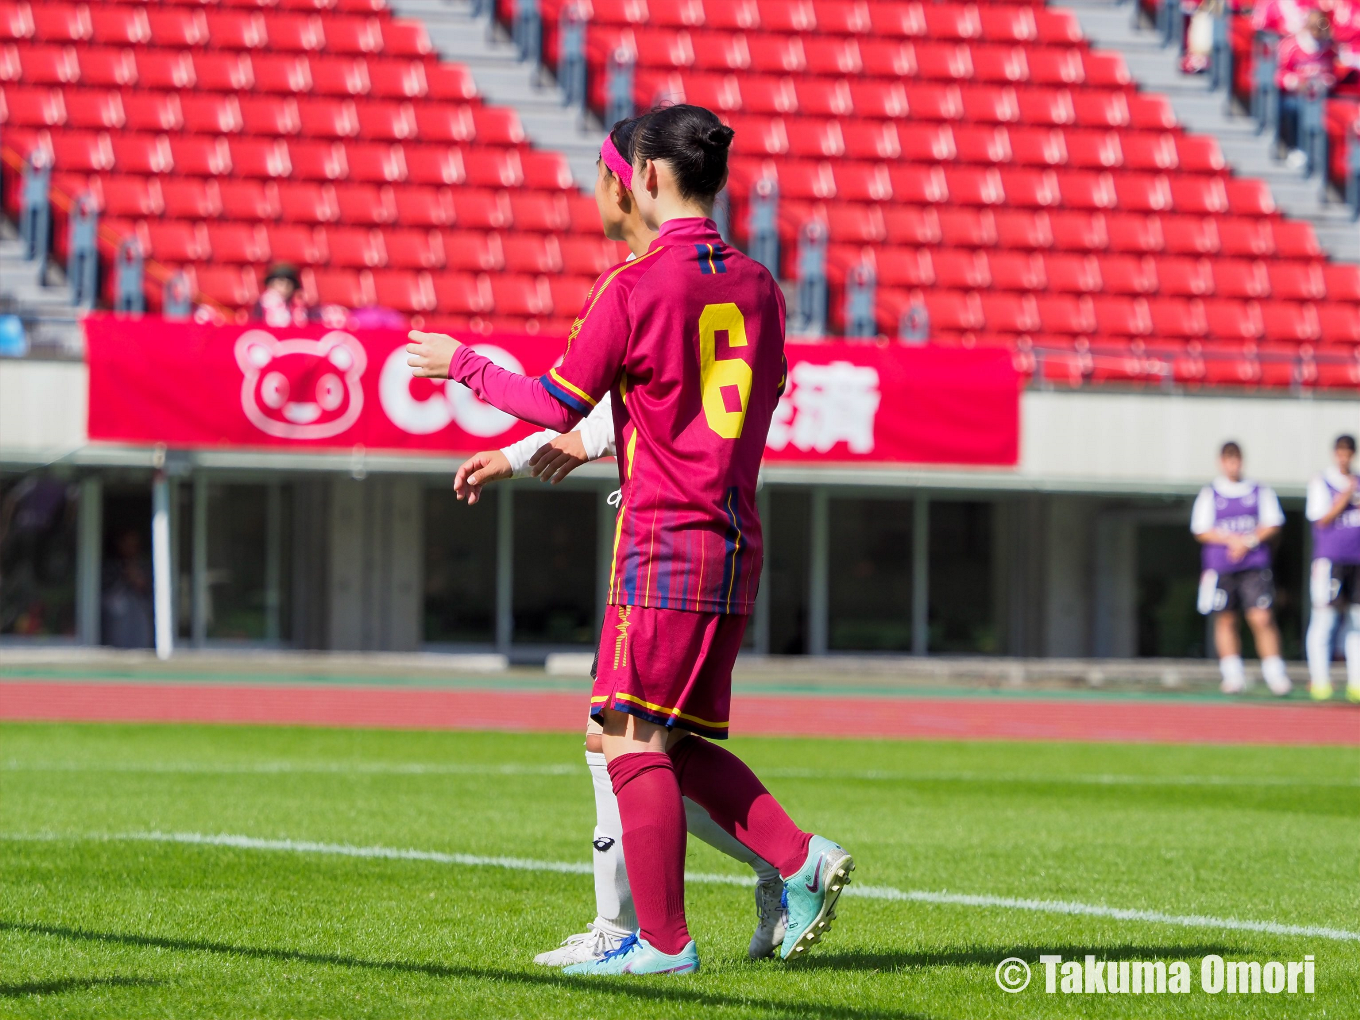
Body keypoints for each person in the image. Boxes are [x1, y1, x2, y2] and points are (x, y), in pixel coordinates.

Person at [408, 103, 852, 976]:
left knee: (629, 741)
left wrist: (462, 362)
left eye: (612, 173)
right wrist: (603, 439)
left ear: (644, 175)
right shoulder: (759, 285)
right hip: (730, 538)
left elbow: (552, 399)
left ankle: (660, 940)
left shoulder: (637, 282)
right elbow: (731, 399)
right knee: (654, 738)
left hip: (665, 538)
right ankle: (793, 865)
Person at [1191, 442, 1291, 696]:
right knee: (1225, 619)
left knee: (1261, 617)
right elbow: (1201, 530)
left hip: (1254, 565)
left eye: (1236, 459)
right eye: (1227, 460)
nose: (1232, 465)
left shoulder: (1259, 491)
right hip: (1221, 567)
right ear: (1220, 462)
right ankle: (1233, 676)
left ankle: (1275, 675)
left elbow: (1272, 523)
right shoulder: (1210, 493)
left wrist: (1248, 541)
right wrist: (1230, 540)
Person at [1304, 434, 1360, 701]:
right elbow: (1320, 519)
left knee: (1356, 621)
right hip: (1331, 561)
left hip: (1357, 562)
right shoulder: (1322, 482)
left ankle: (1356, 683)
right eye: (1340, 451)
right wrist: (1344, 497)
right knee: (1325, 619)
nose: (1344, 456)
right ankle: (1320, 681)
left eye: (1348, 452)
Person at [251, 264, 316, 327]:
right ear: (271, 284)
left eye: (289, 283)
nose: (285, 286)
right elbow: (256, 325)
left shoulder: (299, 304)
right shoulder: (263, 303)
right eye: (281, 282)